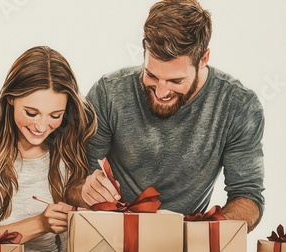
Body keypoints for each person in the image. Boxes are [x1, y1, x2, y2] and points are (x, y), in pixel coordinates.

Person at [67, 0, 264, 232]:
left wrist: (204, 232)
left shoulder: (239, 106)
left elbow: (248, 197)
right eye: (151, 75)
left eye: (175, 81)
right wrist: (85, 191)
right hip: (113, 237)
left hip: (186, 248)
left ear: (203, 59)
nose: (161, 91)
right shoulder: (108, 93)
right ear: (144, 51)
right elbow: (71, 183)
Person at [0, 46, 97, 252]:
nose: (41, 126)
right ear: (10, 99)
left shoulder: (67, 157)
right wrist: (39, 224)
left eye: (55, 115)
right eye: (31, 113)